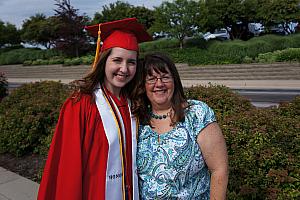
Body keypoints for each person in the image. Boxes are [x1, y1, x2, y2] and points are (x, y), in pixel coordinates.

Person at [37, 18, 152, 200]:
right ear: (103, 60)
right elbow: (69, 167)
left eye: (131, 62)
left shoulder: (134, 103)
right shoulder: (81, 104)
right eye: (117, 60)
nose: (124, 68)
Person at [132, 52, 229, 199]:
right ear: (143, 85)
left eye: (165, 77)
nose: (159, 84)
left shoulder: (197, 114)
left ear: (175, 81)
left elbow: (219, 170)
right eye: (151, 79)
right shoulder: (137, 121)